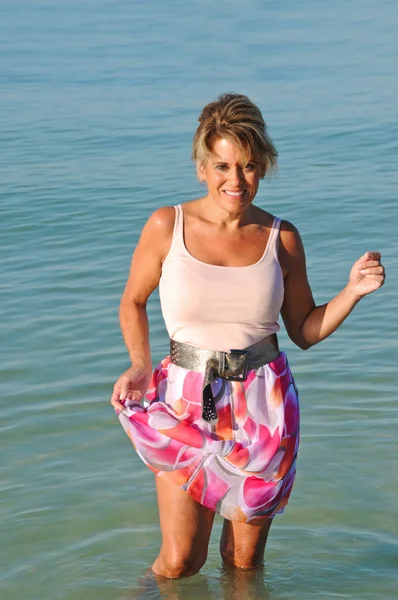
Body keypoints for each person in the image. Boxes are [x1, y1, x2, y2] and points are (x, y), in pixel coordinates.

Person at [111, 93, 385, 579]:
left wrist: (352, 292)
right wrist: (138, 363)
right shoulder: (166, 225)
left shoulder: (282, 237)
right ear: (201, 168)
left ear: (264, 167)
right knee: (179, 562)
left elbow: (303, 330)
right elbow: (133, 300)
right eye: (222, 166)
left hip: (265, 405)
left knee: (243, 562)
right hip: (186, 402)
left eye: (249, 166)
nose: (235, 181)